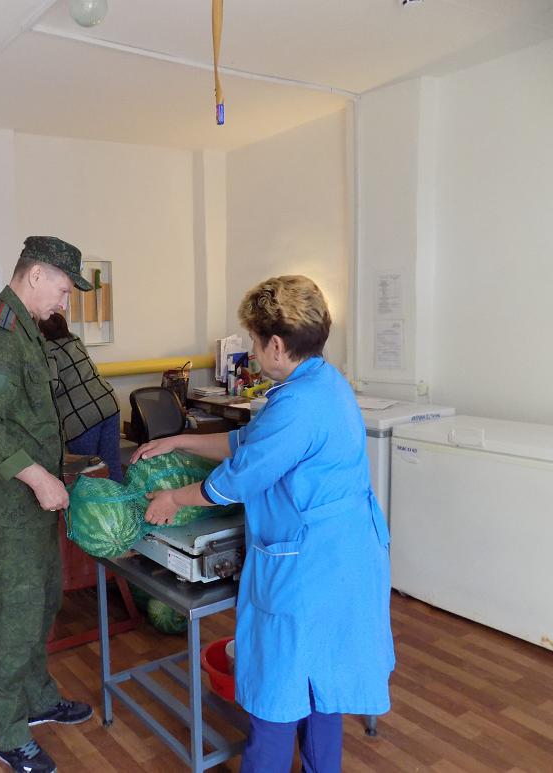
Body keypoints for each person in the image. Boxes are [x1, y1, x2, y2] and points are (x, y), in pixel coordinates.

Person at [131, 275, 394, 773]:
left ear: (276, 345)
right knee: (320, 688)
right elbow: (248, 442)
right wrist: (181, 440)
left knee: (278, 692)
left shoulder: (298, 406)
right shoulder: (323, 382)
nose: (251, 352)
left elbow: (233, 481)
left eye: (253, 341)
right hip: (344, 555)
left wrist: (172, 499)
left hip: (310, 567)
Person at [0, 236, 95, 773]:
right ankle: (9, 732)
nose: (65, 301)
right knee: (13, 615)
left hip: (30, 500)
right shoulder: (1, 336)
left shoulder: (25, 327)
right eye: (63, 289)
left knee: (42, 600)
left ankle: (37, 697)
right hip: (9, 503)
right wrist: (39, 478)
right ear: (36, 275)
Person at [37, 312, 123, 482]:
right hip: (109, 403)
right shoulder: (75, 339)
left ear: (42, 332)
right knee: (111, 464)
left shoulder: (47, 350)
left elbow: (52, 385)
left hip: (82, 417)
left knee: (87, 471)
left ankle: (93, 500)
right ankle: (120, 498)